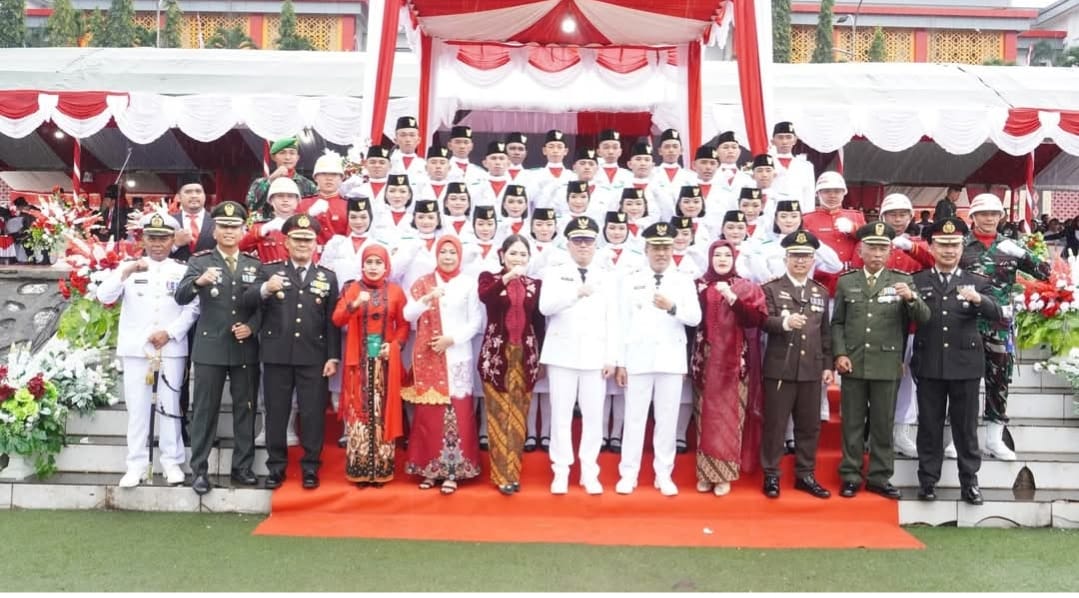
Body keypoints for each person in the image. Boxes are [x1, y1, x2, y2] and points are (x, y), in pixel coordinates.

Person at [97, 212, 198, 488]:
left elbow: (192, 308)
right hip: (137, 349)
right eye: (152, 238)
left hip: (170, 347)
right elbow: (104, 296)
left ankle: (171, 461)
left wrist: (171, 332)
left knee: (170, 406)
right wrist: (126, 271)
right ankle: (136, 464)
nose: (157, 244)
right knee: (137, 408)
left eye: (163, 238)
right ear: (143, 239)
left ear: (172, 240)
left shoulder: (182, 271)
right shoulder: (128, 267)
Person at [831, 222, 930, 500]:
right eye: (871, 248)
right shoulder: (847, 281)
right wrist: (839, 353)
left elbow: (924, 317)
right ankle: (850, 474)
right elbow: (837, 322)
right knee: (852, 423)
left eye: (882, 249)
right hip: (853, 361)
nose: (876, 254)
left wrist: (911, 298)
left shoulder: (902, 281)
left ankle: (879, 476)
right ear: (860, 251)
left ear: (890, 252)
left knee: (883, 423)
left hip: (887, 362)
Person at [247, 214, 341, 490]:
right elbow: (247, 300)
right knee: (276, 413)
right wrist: (265, 289)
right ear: (286, 243)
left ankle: (311, 467)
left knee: (312, 413)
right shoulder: (270, 272)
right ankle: (276, 468)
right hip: (276, 354)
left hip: (314, 356)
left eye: (307, 240)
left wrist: (332, 356)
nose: (302, 245)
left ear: (316, 245)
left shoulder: (327, 277)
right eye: (297, 240)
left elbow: (331, 321)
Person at [174, 201, 262, 495]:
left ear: (243, 230)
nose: (229, 232)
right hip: (210, 346)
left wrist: (253, 327)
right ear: (214, 231)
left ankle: (242, 467)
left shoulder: (253, 264)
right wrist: (198, 282)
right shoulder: (200, 262)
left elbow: (263, 306)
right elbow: (181, 296)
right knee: (204, 410)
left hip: (244, 346)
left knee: (245, 408)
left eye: (234, 227)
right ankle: (199, 470)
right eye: (223, 226)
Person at [912, 217, 1001, 505]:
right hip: (929, 362)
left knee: (965, 427)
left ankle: (969, 481)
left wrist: (979, 300)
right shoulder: (918, 281)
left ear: (962, 248)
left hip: (965, 364)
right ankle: (928, 480)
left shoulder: (977, 281)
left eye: (954, 245)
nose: (949, 250)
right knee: (929, 425)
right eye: (942, 244)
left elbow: (997, 313)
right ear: (931, 246)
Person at [960, 193, 1051, 461]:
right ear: (973, 217)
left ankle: (994, 439)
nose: (989, 218)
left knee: (998, 380)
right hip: (965, 323)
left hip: (998, 324)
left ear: (1001, 217)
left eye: (994, 214)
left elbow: (1045, 272)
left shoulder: (1010, 246)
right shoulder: (962, 246)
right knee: (962, 382)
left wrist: (1023, 254)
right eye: (983, 214)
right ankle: (959, 437)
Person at [615, 222, 702, 496]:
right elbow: (621, 322)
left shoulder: (683, 280)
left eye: (666, 247)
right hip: (637, 357)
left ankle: (663, 474)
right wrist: (620, 361)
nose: (661, 253)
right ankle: (628, 474)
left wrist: (673, 307)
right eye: (656, 248)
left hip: (670, 358)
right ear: (646, 249)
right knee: (634, 418)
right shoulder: (631, 279)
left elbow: (695, 318)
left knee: (667, 419)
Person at [539, 216, 620, 495]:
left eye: (588, 241)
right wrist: (574, 294)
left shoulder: (607, 275)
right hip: (562, 354)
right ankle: (560, 471)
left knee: (594, 417)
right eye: (578, 241)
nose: (583, 246)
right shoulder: (555, 272)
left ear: (596, 244)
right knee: (560, 415)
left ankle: (589, 471)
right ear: (568, 244)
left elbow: (613, 318)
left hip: (595, 356)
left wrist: (612, 356)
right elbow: (545, 307)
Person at [403, 235, 484, 494]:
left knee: (457, 413)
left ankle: (453, 472)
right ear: (436, 255)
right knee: (429, 416)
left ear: (459, 256)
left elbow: (475, 322)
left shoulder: (468, 283)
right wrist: (427, 299)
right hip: (429, 358)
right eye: (443, 252)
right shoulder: (424, 283)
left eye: (452, 252)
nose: (447, 257)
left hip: (457, 356)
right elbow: (407, 314)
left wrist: (452, 339)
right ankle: (429, 470)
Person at [759, 231, 834, 499]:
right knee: (775, 424)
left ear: (813, 260)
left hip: (811, 368)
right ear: (786, 258)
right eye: (795, 256)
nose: (800, 261)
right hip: (780, 367)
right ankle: (771, 474)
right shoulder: (771, 288)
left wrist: (828, 365)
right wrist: (784, 323)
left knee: (809, 425)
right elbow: (763, 321)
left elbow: (825, 332)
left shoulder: (820, 291)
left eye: (805, 257)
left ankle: (805, 474)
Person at [690, 239, 767, 496]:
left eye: (727, 255)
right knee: (706, 418)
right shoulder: (698, 285)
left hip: (735, 363)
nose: (722, 259)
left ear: (734, 259)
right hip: (705, 360)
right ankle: (706, 473)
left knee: (729, 419)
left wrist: (733, 298)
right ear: (710, 258)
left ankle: (724, 476)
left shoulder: (745, 286)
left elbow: (756, 319)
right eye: (717, 255)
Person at [332, 244, 410, 485]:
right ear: (362, 265)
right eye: (369, 262)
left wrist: (395, 345)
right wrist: (355, 303)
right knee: (360, 411)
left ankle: (382, 470)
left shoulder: (396, 291)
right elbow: (337, 319)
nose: (374, 267)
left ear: (387, 267)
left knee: (382, 412)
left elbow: (404, 325)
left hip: (385, 362)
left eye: (379, 263)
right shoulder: (352, 289)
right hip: (358, 363)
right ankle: (360, 470)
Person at [477, 235, 546, 494]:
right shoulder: (489, 279)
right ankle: (500, 476)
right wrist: (507, 278)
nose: (518, 259)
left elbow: (538, 324)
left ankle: (513, 474)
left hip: (524, 357)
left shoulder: (535, 285)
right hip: (496, 358)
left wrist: (541, 358)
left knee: (518, 416)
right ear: (502, 255)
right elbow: (486, 298)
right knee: (498, 416)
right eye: (513, 253)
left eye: (523, 254)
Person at [246, 137, 318, 220]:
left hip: (296, 225)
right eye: (282, 153)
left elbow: (315, 210)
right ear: (273, 157)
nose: (287, 157)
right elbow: (250, 206)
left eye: (292, 153)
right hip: (268, 226)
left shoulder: (307, 185)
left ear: (297, 157)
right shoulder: (260, 183)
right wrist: (271, 180)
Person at [299, 151, 349, 237]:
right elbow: (293, 230)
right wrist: (308, 214)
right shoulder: (302, 204)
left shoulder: (348, 206)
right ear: (315, 178)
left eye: (334, 174)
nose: (329, 178)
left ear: (341, 178)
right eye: (324, 174)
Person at [769, 122, 816, 207]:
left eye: (788, 137)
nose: (784, 141)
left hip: (797, 211)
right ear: (773, 141)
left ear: (795, 140)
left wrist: (808, 214)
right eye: (780, 137)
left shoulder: (806, 166)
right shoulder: (765, 164)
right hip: (772, 210)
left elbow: (809, 194)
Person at [390, 116, 427, 183]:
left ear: (419, 140)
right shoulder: (388, 163)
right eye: (403, 135)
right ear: (395, 140)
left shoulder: (424, 165)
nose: (408, 139)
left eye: (412, 135)